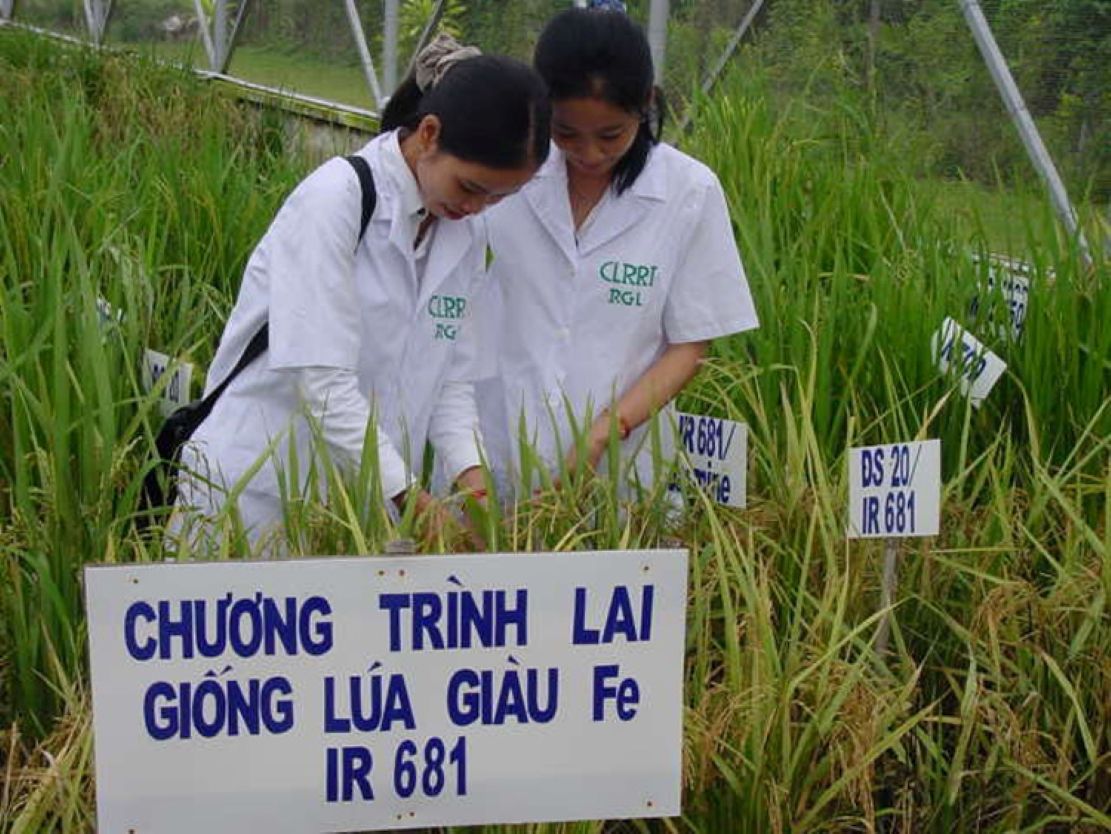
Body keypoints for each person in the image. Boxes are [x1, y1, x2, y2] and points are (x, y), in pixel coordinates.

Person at [171, 37, 551, 550]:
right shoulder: (337, 199)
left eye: (499, 197)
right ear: (430, 134)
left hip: (361, 508)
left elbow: (452, 383)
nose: (480, 208)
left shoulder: (464, 232)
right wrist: (413, 502)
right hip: (257, 494)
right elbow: (322, 381)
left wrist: (473, 482)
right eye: (471, 187)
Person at [477, 6, 758, 495]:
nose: (588, 154)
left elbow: (691, 343)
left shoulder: (687, 192)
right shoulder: (503, 178)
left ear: (645, 105)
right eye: (565, 133)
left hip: (619, 472)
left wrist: (607, 431)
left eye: (611, 135)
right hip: (493, 454)